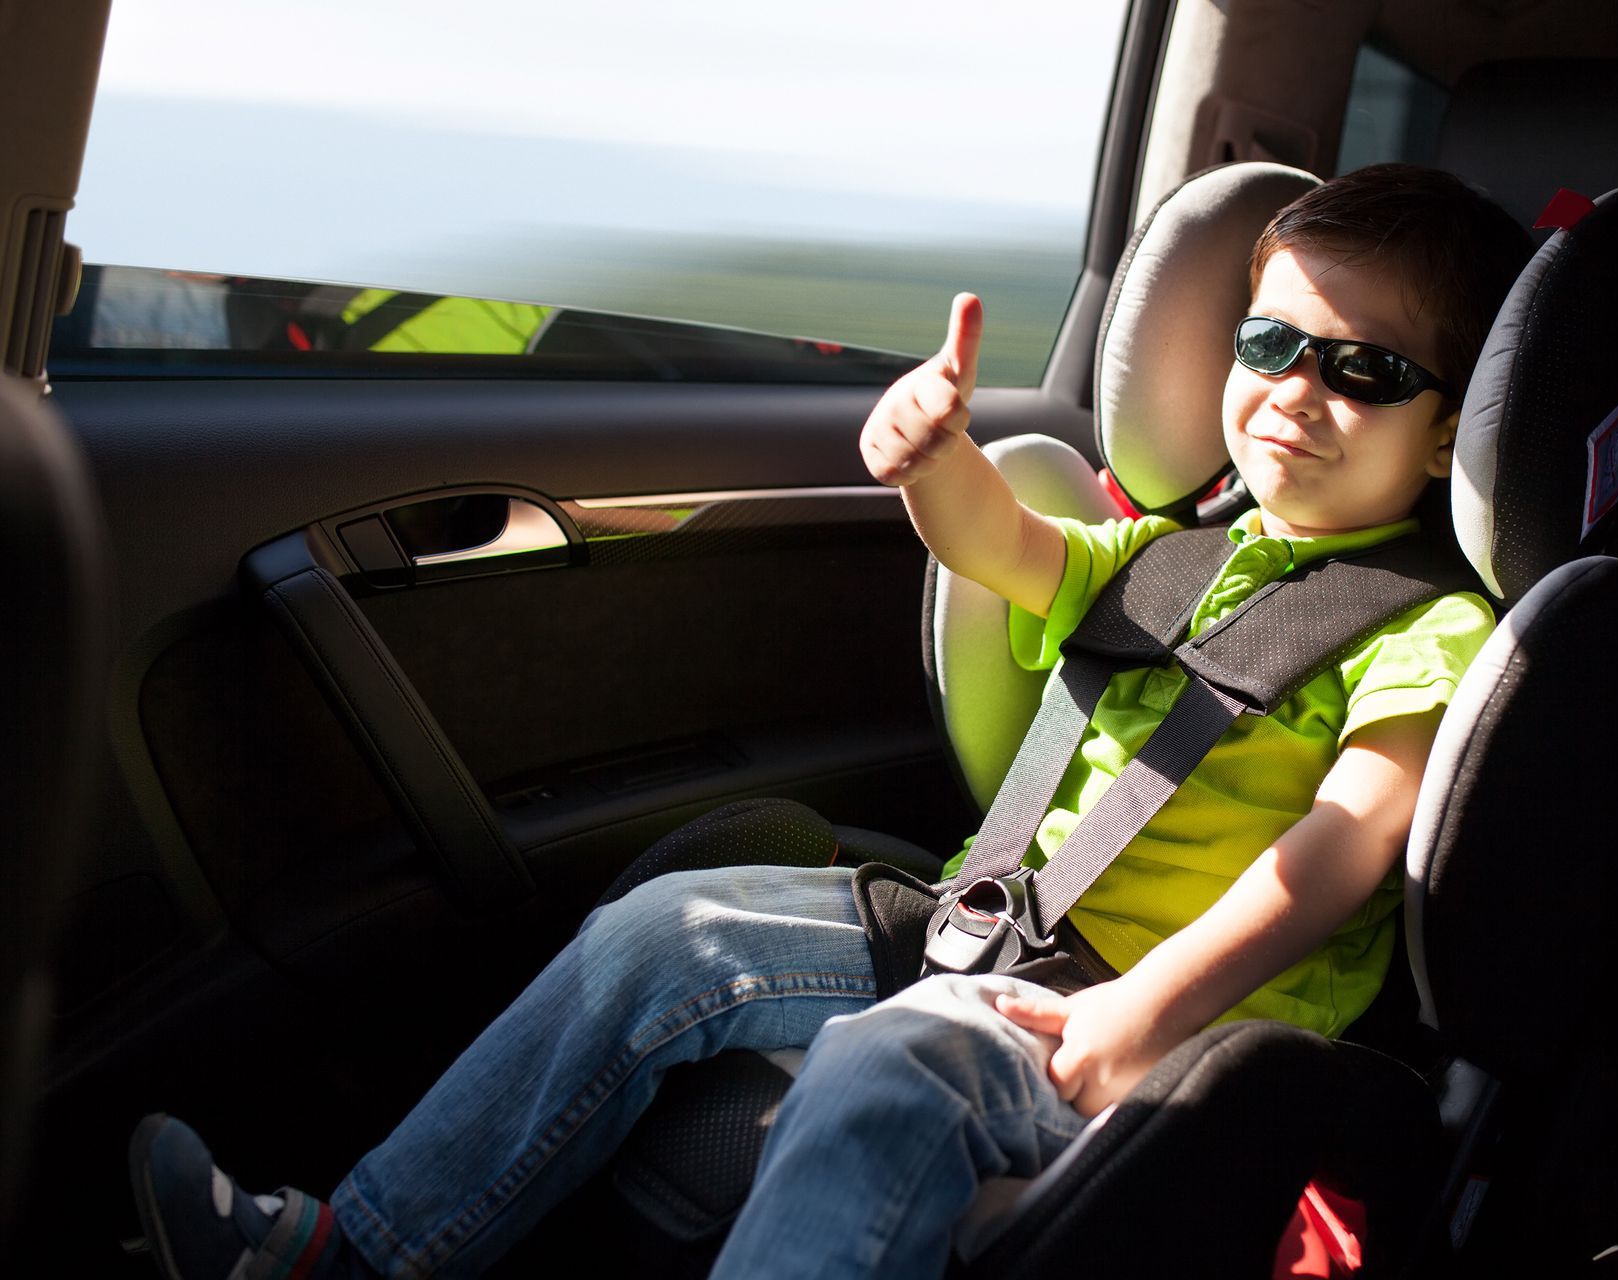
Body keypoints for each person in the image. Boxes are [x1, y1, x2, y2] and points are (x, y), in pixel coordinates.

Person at [127, 163, 1533, 1280]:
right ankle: (355, 1252)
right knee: (660, 938)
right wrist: (934, 460)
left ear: (1447, 423)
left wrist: (1140, 1012)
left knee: (885, 1064)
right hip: (987, 923)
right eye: (1272, 340)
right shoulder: (1171, 552)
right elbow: (1006, 550)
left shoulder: (1427, 624)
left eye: (1363, 371)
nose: (1296, 390)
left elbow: (1345, 850)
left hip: (1158, 1017)